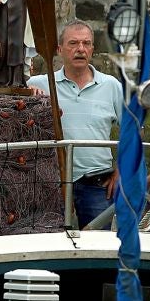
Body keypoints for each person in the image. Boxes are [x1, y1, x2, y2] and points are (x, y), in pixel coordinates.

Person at [27, 20, 123, 227]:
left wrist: (122, 170)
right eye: (73, 43)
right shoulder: (40, 85)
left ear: (92, 49)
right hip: (52, 182)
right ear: (60, 49)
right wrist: (28, 97)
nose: (80, 49)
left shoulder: (112, 86)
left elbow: (133, 131)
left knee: (99, 247)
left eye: (86, 43)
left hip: (98, 182)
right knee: (51, 244)